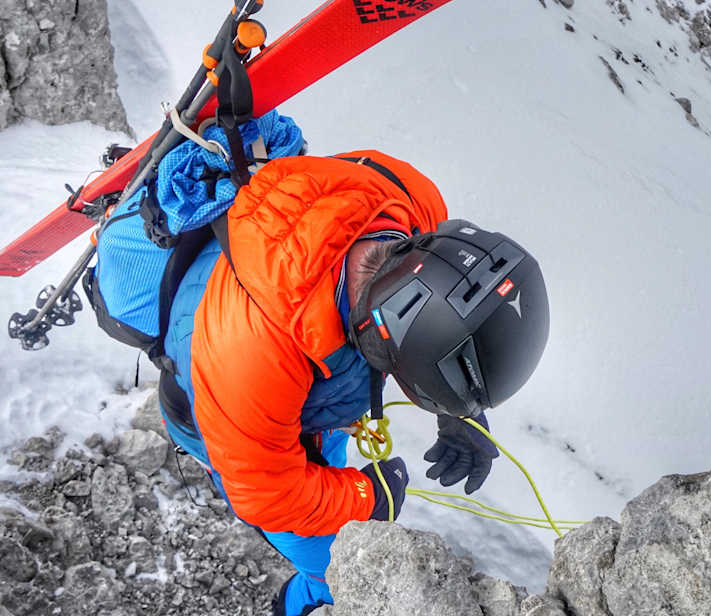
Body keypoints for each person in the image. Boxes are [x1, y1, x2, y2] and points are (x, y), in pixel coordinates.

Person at [150, 149, 550, 616]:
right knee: (337, 563)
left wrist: (461, 410)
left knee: (332, 483)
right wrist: (366, 499)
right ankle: (299, 603)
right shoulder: (251, 356)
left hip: (308, 382)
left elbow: (434, 309)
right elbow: (267, 492)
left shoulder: (414, 204)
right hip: (227, 424)